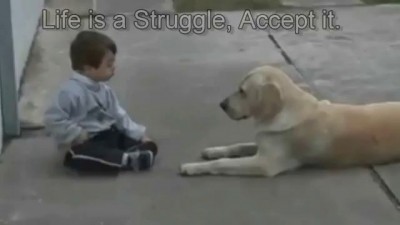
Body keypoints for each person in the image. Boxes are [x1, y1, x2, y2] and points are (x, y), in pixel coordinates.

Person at [44, 30, 158, 173]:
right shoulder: (70, 92)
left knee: (146, 144)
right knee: (77, 155)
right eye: (109, 65)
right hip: (85, 141)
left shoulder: (105, 90)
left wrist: (140, 135)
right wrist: (78, 134)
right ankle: (126, 159)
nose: (113, 67)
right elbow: (53, 120)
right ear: (88, 68)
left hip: (106, 135)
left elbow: (119, 115)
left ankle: (125, 158)